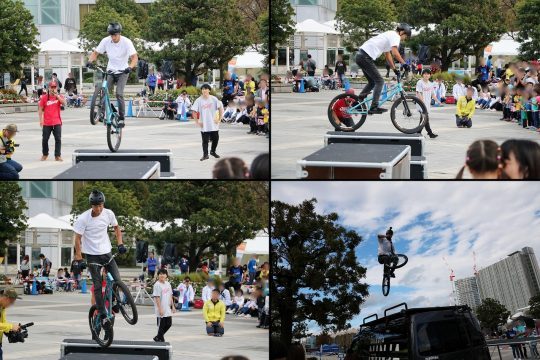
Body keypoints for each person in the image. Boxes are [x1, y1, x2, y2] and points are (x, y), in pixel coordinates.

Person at [73, 189, 128, 327]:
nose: (98, 209)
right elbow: (77, 239)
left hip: (106, 252)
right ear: (91, 206)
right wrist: (79, 259)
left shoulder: (109, 213)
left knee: (117, 279)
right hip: (92, 255)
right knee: (97, 285)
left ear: (103, 204)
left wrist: (120, 243)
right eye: (96, 206)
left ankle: (115, 302)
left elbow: (116, 228)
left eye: (100, 205)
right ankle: (102, 313)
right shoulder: (83, 218)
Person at [87, 22, 138, 128]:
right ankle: (101, 112)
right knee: (104, 90)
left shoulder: (126, 42)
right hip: (110, 70)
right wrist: (90, 61)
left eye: (115, 35)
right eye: (111, 35)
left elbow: (134, 57)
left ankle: (121, 118)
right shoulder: (105, 41)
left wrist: (130, 67)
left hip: (123, 72)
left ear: (119, 34)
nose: (113, 37)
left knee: (119, 93)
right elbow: (95, 53)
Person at [356, 23, 411, 114]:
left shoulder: (390, 35)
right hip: (365, 57)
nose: (404, 38)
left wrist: (394, 69)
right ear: (402, 32)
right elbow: (395, 53)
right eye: (405, 36)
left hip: (361, 56)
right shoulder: (395, 36)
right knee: (380, 81)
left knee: (372, 82)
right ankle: (374, 107)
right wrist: (404, 63)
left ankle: (357, 102)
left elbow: (388, 55)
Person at [192, 84, 224, 161]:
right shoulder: (198, 100)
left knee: (215, 139)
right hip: (204, 124)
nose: (204, 90)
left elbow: (220, 108)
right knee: (205, 140)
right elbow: (194, 111)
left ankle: (213, 151)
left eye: (206, 89)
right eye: (203, 89)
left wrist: (219, 119)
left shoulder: (214, 99)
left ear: (209, 90)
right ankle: (205, 155)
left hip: (214, 124)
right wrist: (197, 122)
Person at [38, 81, 66, 161]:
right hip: (47, 122)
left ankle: (57, 155)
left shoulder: (59, 96)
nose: (53, 89)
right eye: (52, 87)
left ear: (56, 88)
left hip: (57, 121)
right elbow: (40, 109)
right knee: (45, 139)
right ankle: (45, 154)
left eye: (54, 87)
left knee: (58, 139)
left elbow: (64, 103)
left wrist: (57, 96)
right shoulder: (44, 98)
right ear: (49, 88)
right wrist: (41, 120)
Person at [415, 69, 441, 138]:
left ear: (430, 75)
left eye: (428, 74)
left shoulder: (430, 84)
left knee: (423, 118)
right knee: (425, 118)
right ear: (422, 75)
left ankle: (418, 133)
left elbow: (433, 94)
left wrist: (438, 101)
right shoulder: (420, 82)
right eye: (425, 74)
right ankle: (430, 133)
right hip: (421, 103)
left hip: (427, 104)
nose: (426, 75)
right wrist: (422, 101)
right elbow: (418, 92)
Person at [152, 268, 175, 342]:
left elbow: (170, 295)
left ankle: (158, 336)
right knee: (161, 326)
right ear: (158, 275)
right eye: (160, 274)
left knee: (169, 324)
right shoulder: (157, 285)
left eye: (163, 274)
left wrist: (173, 306)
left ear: (166, 275)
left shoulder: (168, 284)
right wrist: (160, 309)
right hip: (161, 309)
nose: (162, 275)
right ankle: (161, 339)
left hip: (167, 308)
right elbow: (157, 297)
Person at [0, 288, 22, 359]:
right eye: (11, 302)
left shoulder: (2, 308)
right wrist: (10, 326)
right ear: (7, 298)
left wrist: (11, 331)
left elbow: (2, 323)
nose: (11, 304)